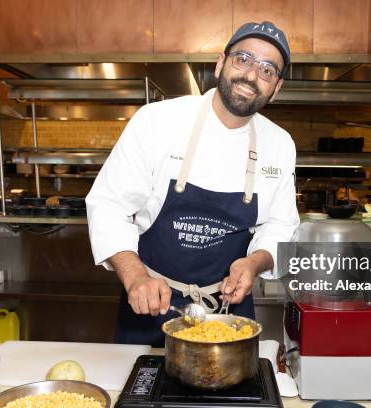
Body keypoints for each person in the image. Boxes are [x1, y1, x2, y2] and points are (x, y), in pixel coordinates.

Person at [86, 21, 300, 346]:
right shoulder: (156, 121)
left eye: (267, 69)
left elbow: (281, 227)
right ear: (221, 63)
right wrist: (135, 277)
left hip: (229, 310)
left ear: (277, 86)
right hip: (150, 302)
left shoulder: (279, 144)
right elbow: (108, 206)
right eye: (243, 59)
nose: (252, 75)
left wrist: (254, 264)